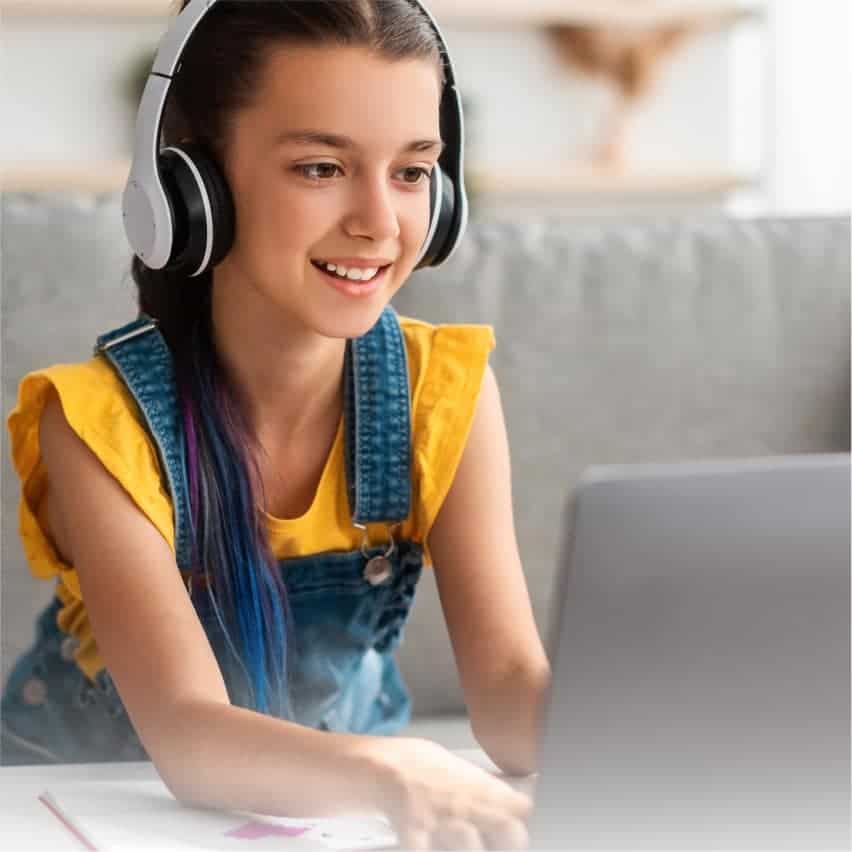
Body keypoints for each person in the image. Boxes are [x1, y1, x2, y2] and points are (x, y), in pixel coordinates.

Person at [2, 1, 550, 848]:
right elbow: (188, 734)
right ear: (195, 191)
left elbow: (512, 691)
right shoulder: (100, 423)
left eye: (411, 172)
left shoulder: (444, 392)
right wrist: (394, 770)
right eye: (322, 168)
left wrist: (672, 726)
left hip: (337, 813)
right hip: (88, 806)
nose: (378, 221)